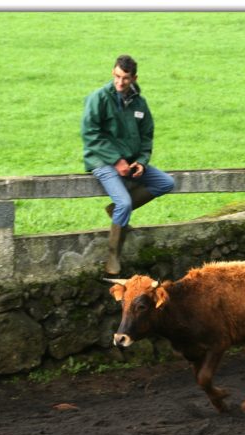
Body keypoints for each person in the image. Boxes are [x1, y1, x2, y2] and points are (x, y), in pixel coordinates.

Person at [82, 54, 175, 275]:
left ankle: (116, 211)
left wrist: (141, 162)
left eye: (125, 78)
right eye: (116, 76)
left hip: (131, 161)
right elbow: (90, 134)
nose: (119, 82)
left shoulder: (139, 103)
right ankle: (112, 256)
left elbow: (146, 135)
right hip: (102, 160)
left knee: (166, 182)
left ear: (134, 78)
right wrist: (116, 160)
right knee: (124, 203)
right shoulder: (99, 98)